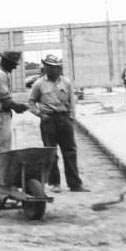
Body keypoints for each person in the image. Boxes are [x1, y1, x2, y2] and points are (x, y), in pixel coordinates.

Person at [28, 54, 89, 193]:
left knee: (70, 151)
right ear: (46, 68)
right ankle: (55, 183)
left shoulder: (66, 82)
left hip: (64, 118)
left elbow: (72, 102)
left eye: (56, 67)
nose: (53, 70)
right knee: (51, 152)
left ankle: (75, 184)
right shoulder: (39, 84)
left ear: (59, 68)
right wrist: (39, 114)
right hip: (48, 120)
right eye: (49, 67)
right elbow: (31, 102)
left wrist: (72, 118)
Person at [0, 51, 29, 152]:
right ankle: (2, 168)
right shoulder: (0, 75)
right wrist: (19, 107)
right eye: (13, 64)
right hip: (0, 117)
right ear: (6, 62)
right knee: (3, 151)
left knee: (1, 148)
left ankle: (2, 167)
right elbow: (6, 100)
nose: (15, 67)